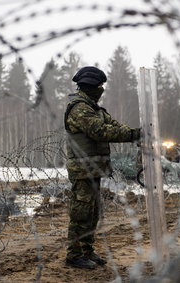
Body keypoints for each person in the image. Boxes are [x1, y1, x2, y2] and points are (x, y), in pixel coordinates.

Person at [64, 66, 141, 269]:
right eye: (99, 86)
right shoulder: (80, 108)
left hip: (94, 168)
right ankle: (73, 255)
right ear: (90, 86)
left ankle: (87, 251)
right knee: (81, 213)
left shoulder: (94, 108)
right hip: (82, 170)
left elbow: (114, 126)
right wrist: (132, 135)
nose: (101, 89)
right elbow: (99, 131)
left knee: (93, 213)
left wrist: (134, 132)